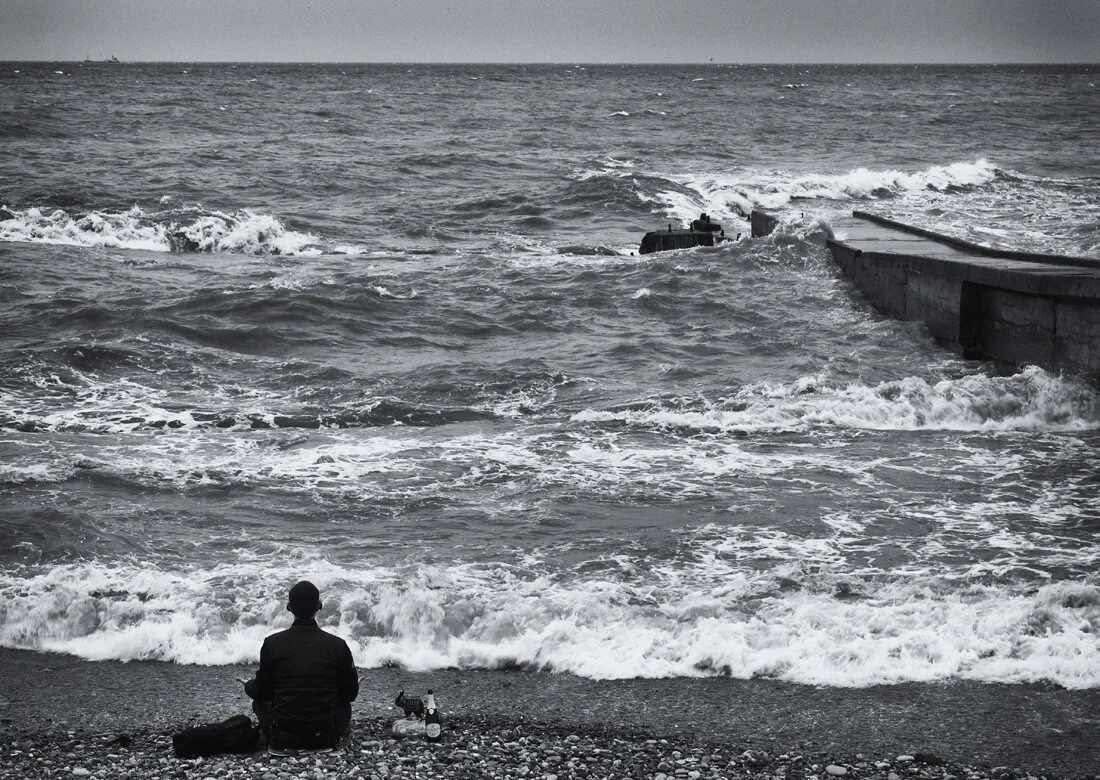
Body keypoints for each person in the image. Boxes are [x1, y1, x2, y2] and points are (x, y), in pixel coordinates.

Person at [243, 581, 359, 755]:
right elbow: (349, 694)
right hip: (325, 736)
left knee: (259, 702)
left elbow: (263, 693)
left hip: (282, 737)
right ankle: (328, 738)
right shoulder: (338, 645)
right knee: (344, 705)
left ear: (289, 607)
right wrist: (354, 684)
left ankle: (273, 737)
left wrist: (249, 685)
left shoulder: (272, 643)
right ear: (319, 606)